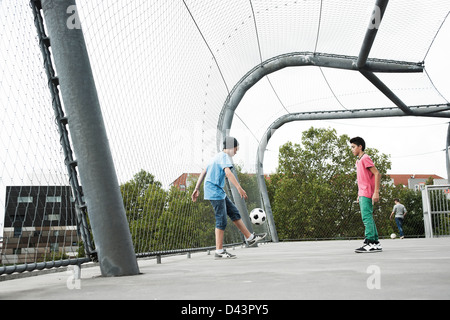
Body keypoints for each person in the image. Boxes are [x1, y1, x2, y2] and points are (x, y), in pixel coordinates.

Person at [191, 136, 266, 259]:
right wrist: (239, 188)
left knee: (234, 213)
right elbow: (228, 173)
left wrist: (196, 188)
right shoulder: (224, 157)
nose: (236, 152)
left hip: (217, 191)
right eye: (236, 149)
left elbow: (204, 171)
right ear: (231, 147)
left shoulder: (216, 157)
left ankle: (250, 238)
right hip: (214, 191)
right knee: (221, 219)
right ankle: (219, 251)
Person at [350, 137, 382, 253]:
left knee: (366, 217)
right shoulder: (358, 161)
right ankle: (375, 242)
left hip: (368, 192)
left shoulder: (365, 158)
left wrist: (376, 192)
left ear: (360, 147)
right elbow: (362, 179)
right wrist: (359, 194)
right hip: (362, 192)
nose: (352, 149)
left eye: (353, 147)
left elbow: (377, 173)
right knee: (368, 217)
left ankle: (370, 242)